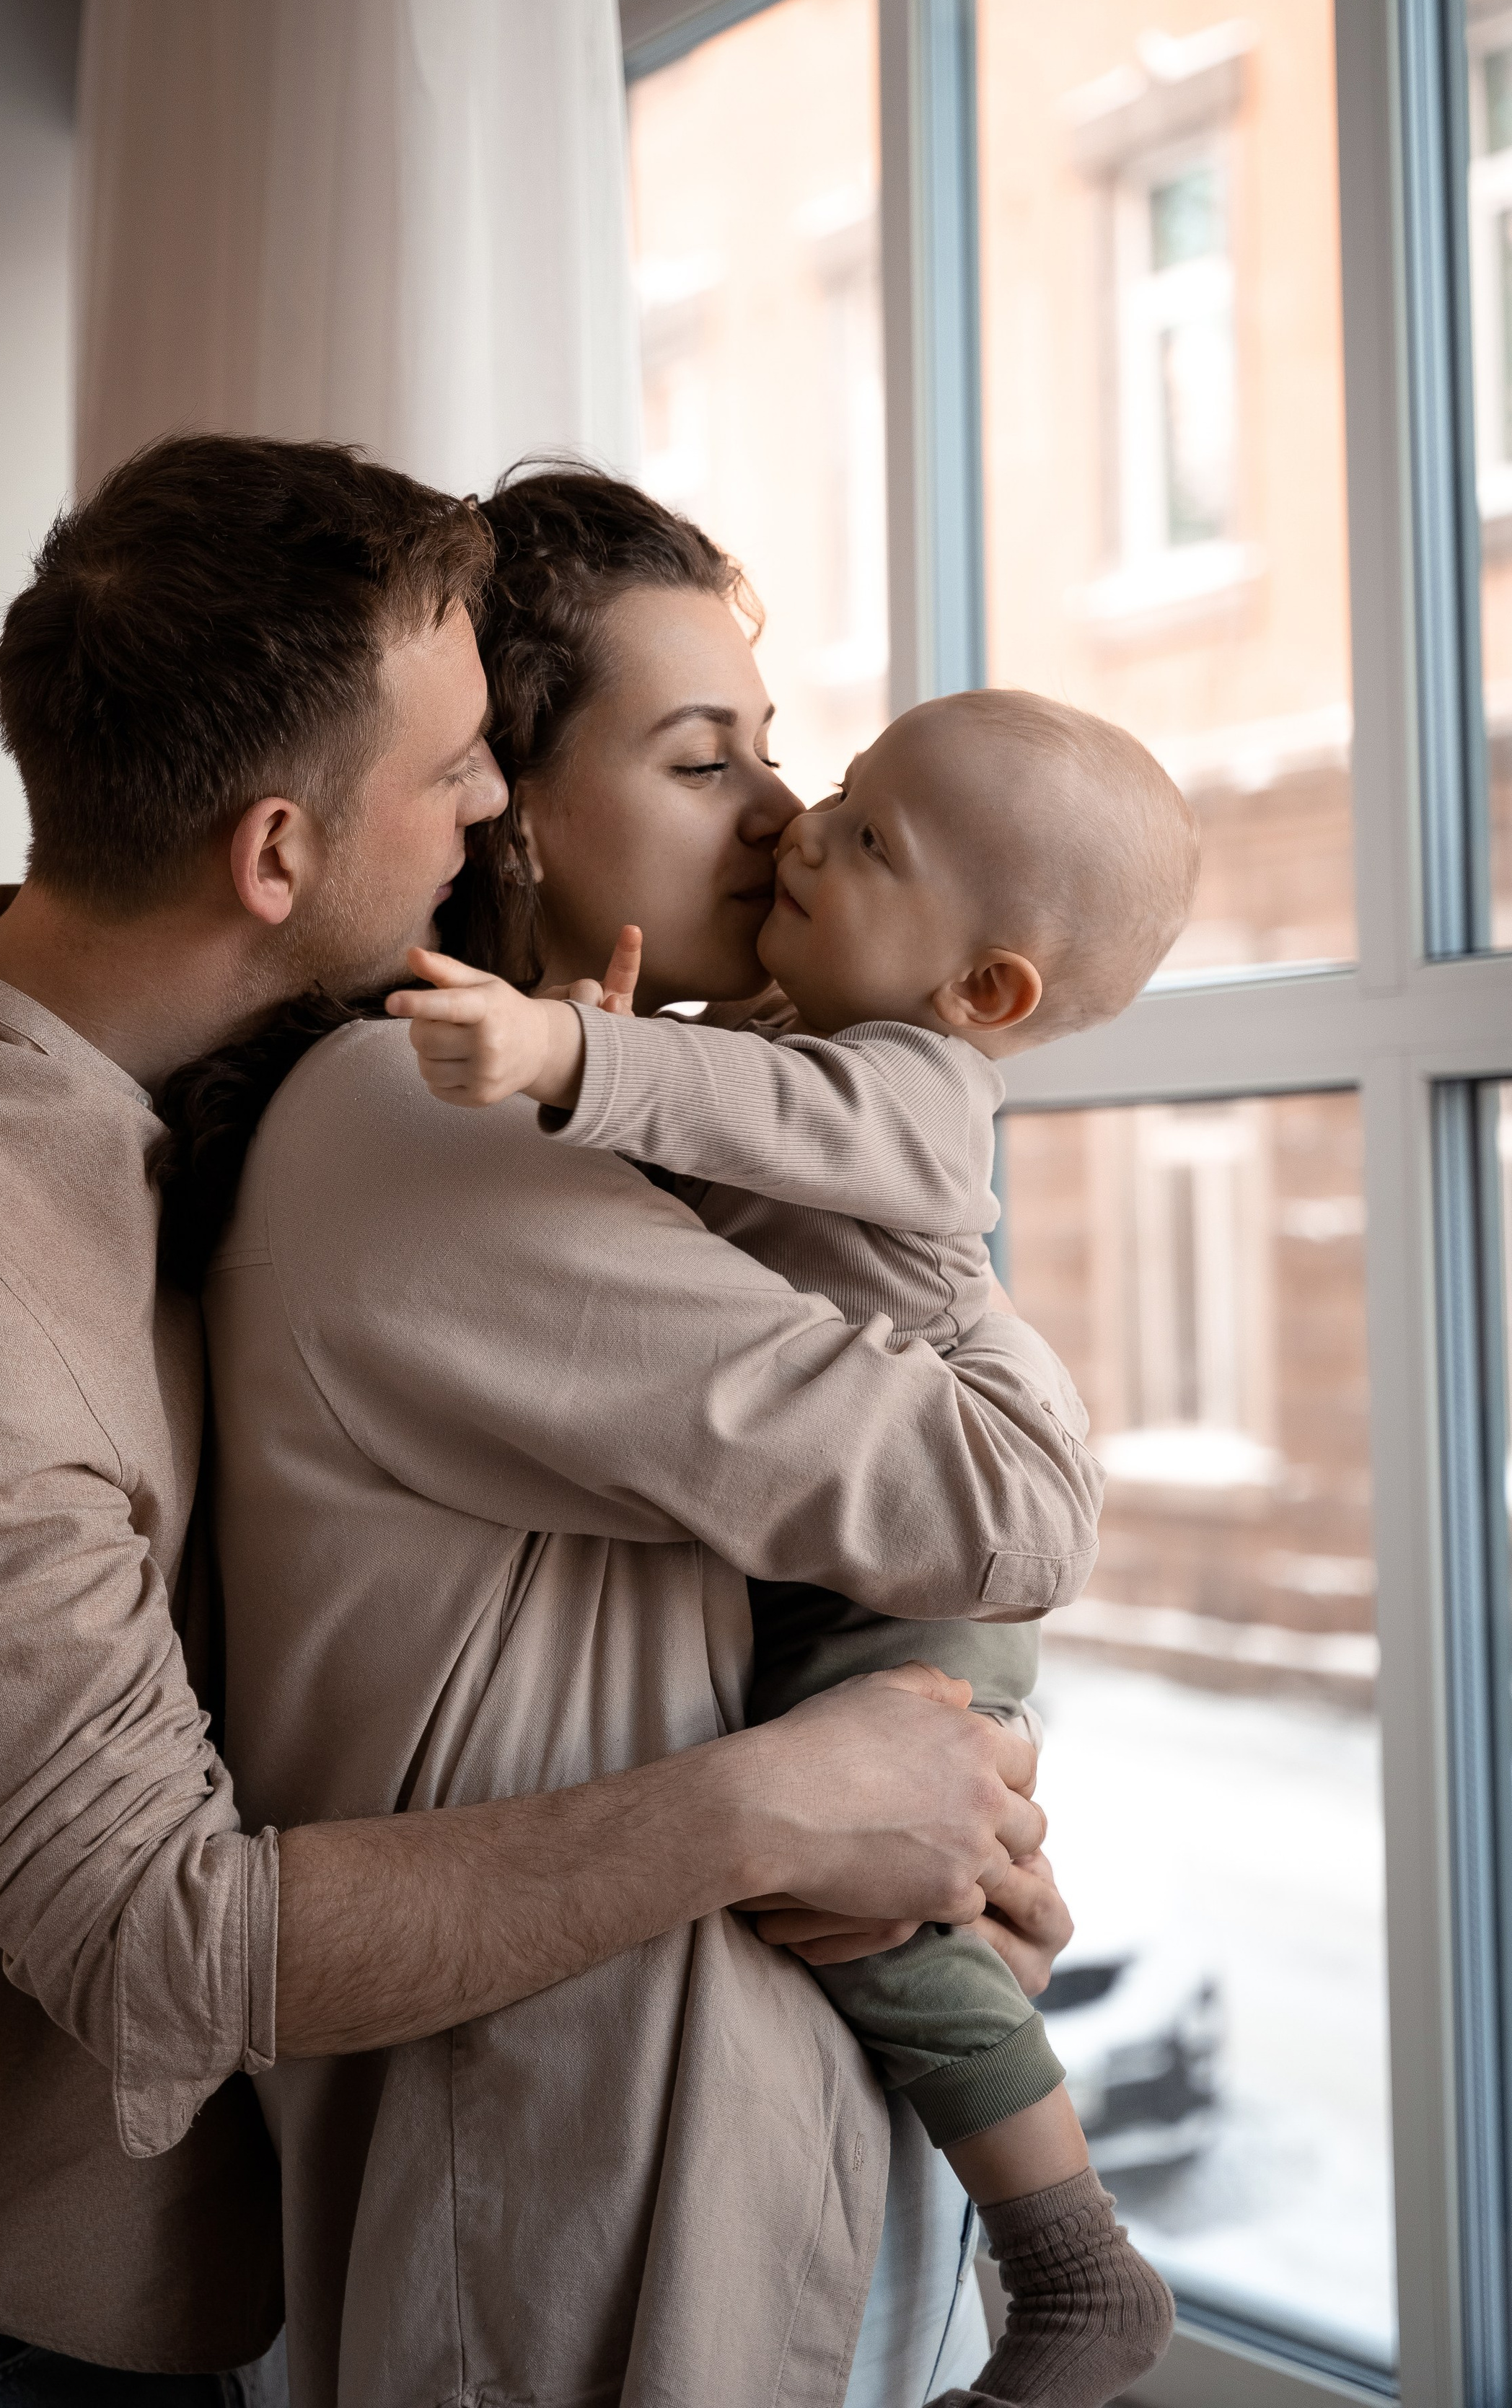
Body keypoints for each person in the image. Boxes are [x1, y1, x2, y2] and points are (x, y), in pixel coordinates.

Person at [0, 439, 1052, 2403]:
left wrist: (939, 1836)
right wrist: (793, 1806)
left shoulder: (139, 1114)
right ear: (274, 858)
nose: (488, 808)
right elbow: (159, 1939)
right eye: (462, 761)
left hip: (129, 2267)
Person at [186, 469, 1104, 2408]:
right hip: (578, 2201)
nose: (783, 809)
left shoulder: (677, 1141)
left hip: (707, 2121)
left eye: (774, 746)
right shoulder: (416, 1123)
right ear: (500, 820)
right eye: (704, 761)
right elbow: (1005, 1508)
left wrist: (955, 1811)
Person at [390, 685, 1198, 2408]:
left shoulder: (909, 1090)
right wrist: (592, 1070)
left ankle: (1071, 2263)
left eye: (869, 838)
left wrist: (562, 1058)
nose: (798, 827)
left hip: (898, 1596)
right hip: (848, 1557)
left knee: (893, 1928)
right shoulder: (779, 1035)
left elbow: (744, 1125)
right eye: (827, 790)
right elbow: (703, 1143)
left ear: (979, 994)